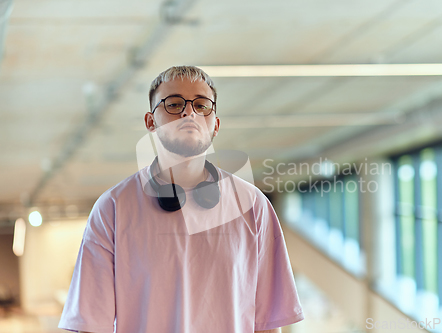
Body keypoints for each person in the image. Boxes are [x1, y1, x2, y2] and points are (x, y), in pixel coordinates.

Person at [58, 66, 304, 333]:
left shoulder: (253, 206)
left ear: (216, 125)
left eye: (202, 105)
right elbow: (92, 326)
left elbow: (267, 324)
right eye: (174, 104)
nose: (189, 112)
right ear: (150, 121)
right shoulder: (113, 209)